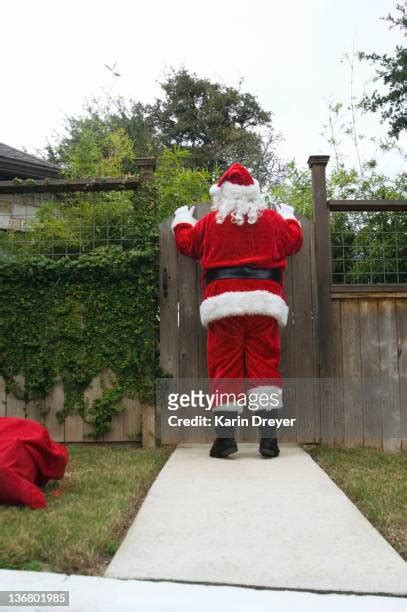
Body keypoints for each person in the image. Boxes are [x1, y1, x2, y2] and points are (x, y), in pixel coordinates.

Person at [172, 163, 303, 458]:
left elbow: (187, 243)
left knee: (224, 369)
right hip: (264, 305)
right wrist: (289, 216)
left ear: (224, 194)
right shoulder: (270, 220)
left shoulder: (209, 223)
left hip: (224, 305)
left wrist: (182, 219)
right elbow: (294, 241)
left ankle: (226, 440)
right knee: (265, 367)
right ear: (253, 194)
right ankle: (269, 441)